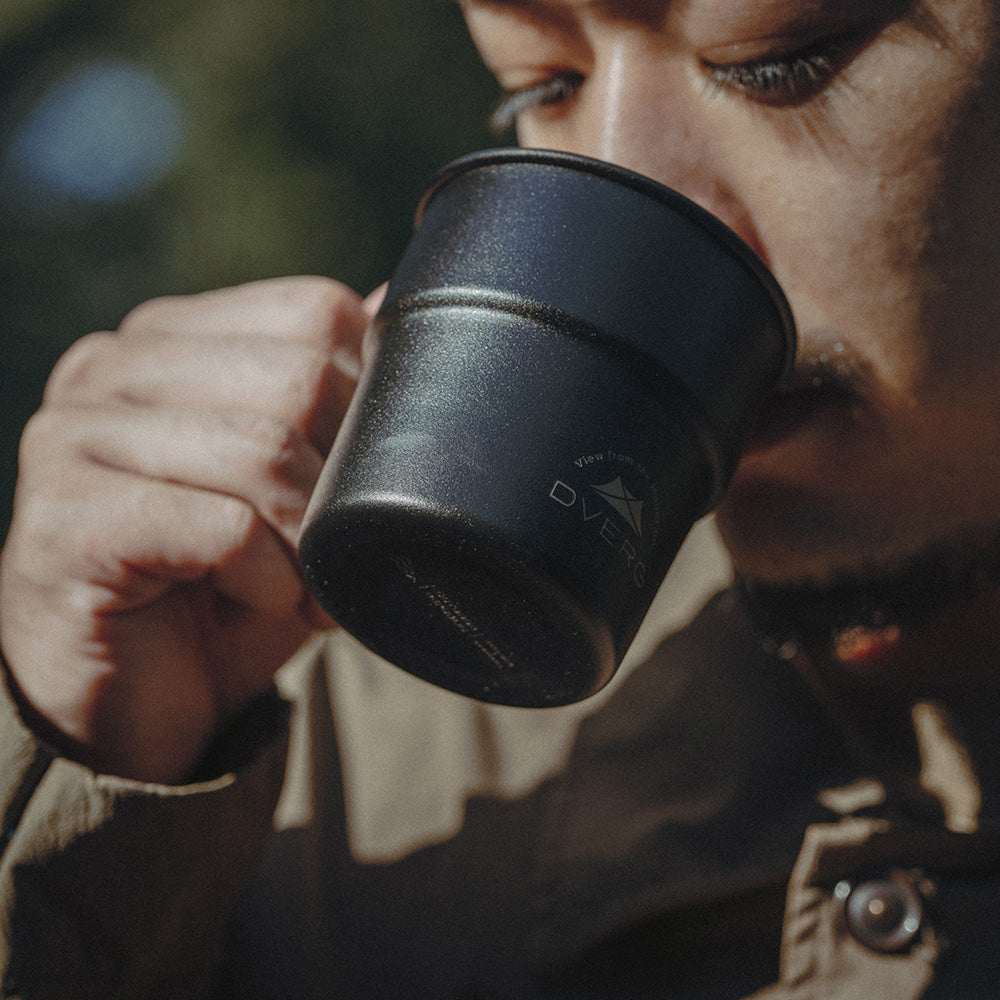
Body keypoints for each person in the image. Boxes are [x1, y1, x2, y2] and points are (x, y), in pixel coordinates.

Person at [1, 0, 999, 996]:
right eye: (540, 85)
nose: (624, 193)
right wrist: (81, 794)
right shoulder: (303, 720)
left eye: (777, 63)